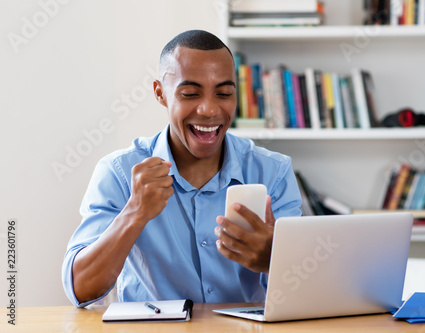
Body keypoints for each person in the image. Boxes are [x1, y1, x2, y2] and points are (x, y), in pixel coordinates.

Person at [62, 29, 302, 307]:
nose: (209, 110)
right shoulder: (119, 172)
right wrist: (135, 213)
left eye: (224, 93)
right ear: (160, 93)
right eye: (190, 94)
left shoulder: (274, 172)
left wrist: (275, 258)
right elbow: (81, 290)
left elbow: (310, 292)